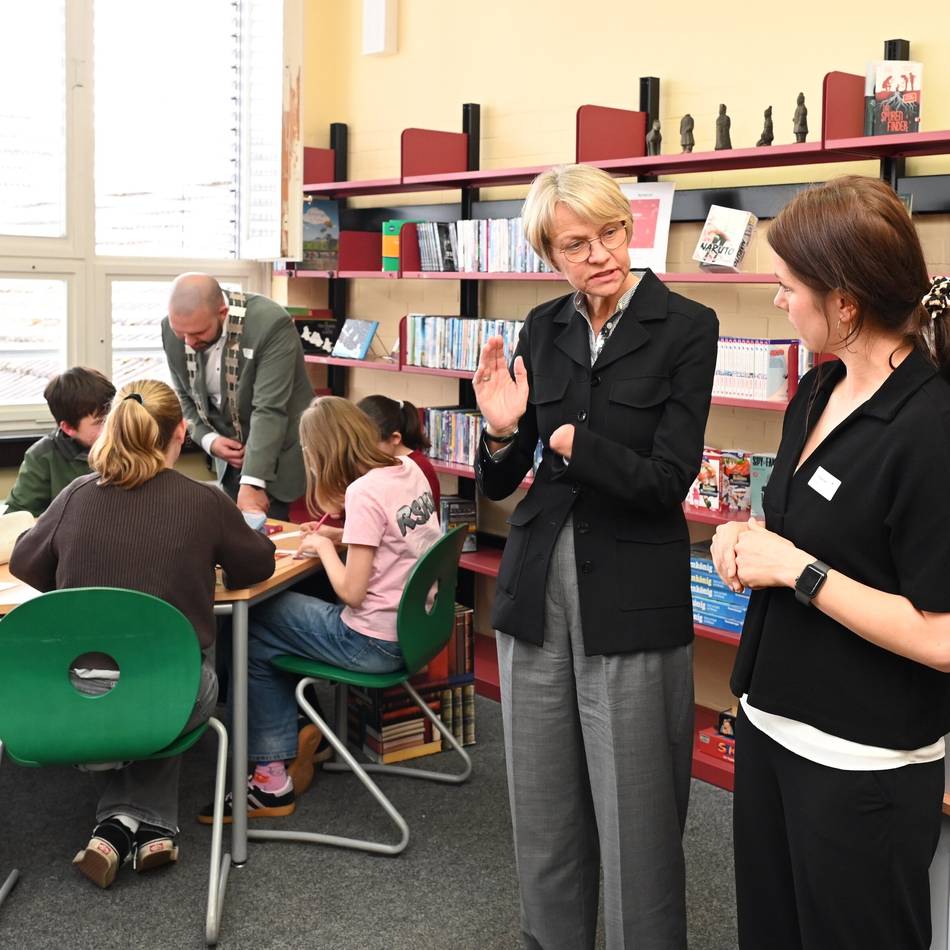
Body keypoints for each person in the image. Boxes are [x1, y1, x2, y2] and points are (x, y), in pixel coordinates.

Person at [473, 163, 718, 950]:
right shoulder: (541, 325)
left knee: (638, 825)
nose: (602, 254)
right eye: (577, 244)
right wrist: (504, 432)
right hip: (536, 584)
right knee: (543, 816)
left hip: (631, 592)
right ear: (550, 254)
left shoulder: (686, 326)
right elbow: (505, 480)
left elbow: (667, 480)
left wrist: (577, 447)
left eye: (612, 232)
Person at [710, 175, 950, 950]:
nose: (778, 300)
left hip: (862, 761)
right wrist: (743, 541)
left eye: (787, 287)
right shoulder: (816, 391)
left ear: (844, 302)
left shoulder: (931, 429)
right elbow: (796, 524)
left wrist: (798, 572)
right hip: (770, 721)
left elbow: (942, 637)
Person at [9, 379, 275, 889]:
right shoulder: (202, 500)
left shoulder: (75, 495)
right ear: (182, 433)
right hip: (170, 700)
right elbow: (256, 564)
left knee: (146, 667)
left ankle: (117, 826)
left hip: (73, 695)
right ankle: (150, 824)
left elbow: (25, 561)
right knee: (182, 656)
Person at [202, 396, 441, 821]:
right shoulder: (408, 470)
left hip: (372, 642)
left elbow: (351, 591)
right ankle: (304, 736)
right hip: (415, 630)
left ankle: (271, 778)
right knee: (267, 633)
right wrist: (339, 535)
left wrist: (320, 547)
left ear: (321, 453)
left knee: (251, 624)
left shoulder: (362, 491)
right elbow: (395, 541)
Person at [161, 273, 313, 519]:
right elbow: (184, 396)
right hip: (229, 464)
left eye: (198, 333)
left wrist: (253, 482)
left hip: (278, 460)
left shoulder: (270, 323)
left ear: (222, 313)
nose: (188, 342)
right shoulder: (171, 330)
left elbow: (270, 408)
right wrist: (209, 440)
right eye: (181, 334)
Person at [4, 367, 115, 517]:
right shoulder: (42, 456)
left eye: (114, 415)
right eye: (100, 421)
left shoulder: (129, 442)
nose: (112, 426)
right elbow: (17, 518)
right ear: (68, 428)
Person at [357, 394, 441, 508]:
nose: (361, 451)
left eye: (367, 445)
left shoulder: (417, 469)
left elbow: (396, 522)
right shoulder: (384, 461)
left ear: (395, 438)